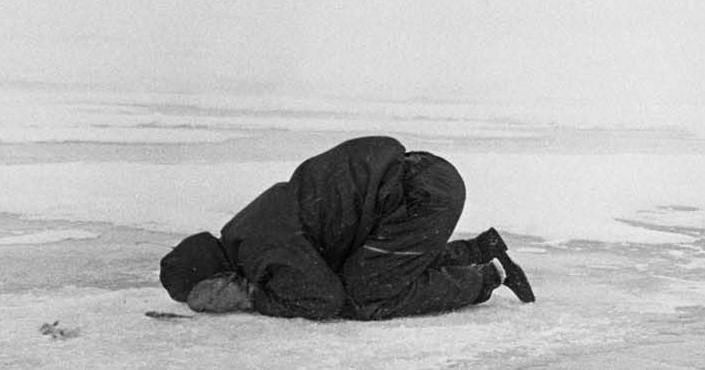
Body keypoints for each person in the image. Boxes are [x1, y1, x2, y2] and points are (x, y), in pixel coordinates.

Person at [157, 136, 534, 320]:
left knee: (364, 296)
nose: (207, 308)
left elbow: (324, 300)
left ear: (215, 279)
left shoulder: (260, 249)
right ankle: (480, 250)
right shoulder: (245, 233)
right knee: (373, 268)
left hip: (421, 196)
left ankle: (487, 278)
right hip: (421, 182)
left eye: (202, 299)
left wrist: (251, 298)